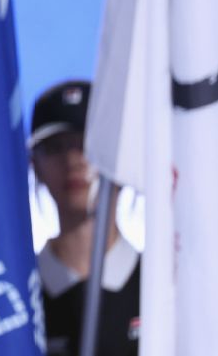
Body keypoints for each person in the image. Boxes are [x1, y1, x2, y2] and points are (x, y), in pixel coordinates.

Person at [29, 80, 141, 356]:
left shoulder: (164, 289)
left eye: (90, 145)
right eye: (56, 147)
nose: (73, 160)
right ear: (34, 164)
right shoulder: (18, 295)